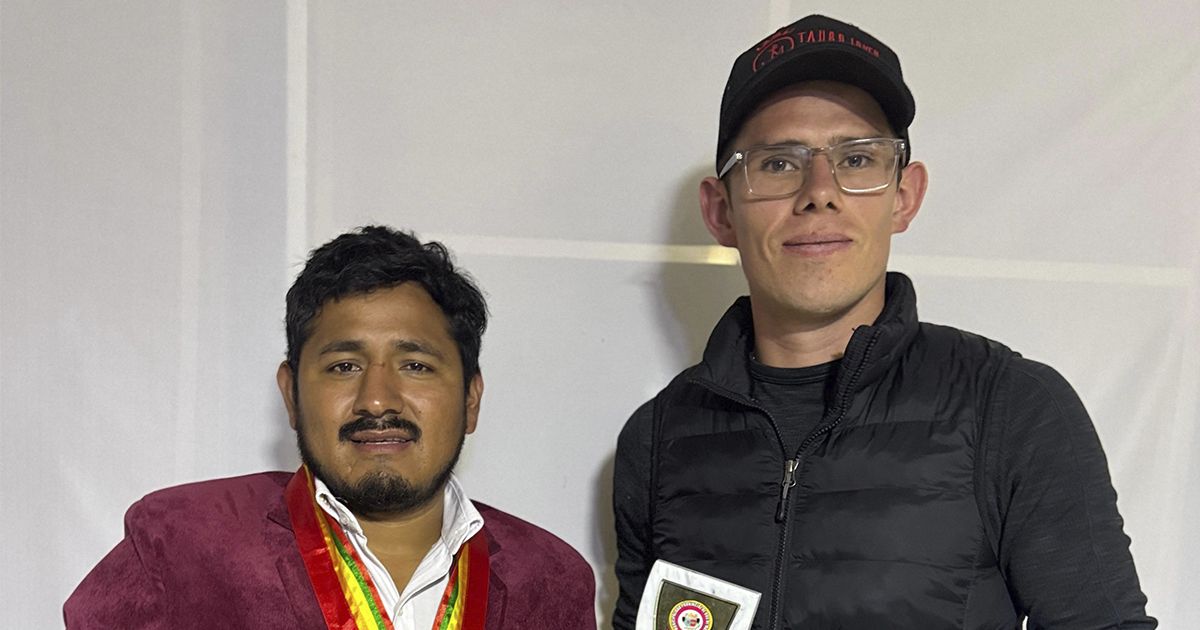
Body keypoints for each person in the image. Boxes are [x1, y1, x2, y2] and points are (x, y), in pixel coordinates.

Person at [612, 14, 1155, 630]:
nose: (820, 191)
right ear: (721, 212)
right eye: (778, 163)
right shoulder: (657, 438)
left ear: (904, 197)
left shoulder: (1012, 407)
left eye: (857, 158)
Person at [66, 226, 596, 629]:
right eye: (344, 366)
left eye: (415, 365)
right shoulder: (182, 542)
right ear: (291, 395)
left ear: (471, 399)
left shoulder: (549, 578)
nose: (377, 399)